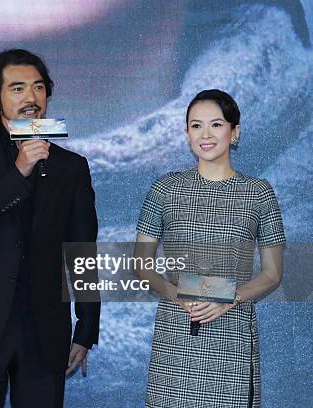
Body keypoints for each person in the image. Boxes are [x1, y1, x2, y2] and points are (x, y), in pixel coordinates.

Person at [0, 49, 100, 407]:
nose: (31, 98)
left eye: (39, 88)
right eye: (18, 88)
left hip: (45, 330)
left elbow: (83, 251)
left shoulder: (71, 167)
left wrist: (86, 327)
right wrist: (18, 171)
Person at [134, 89, 286, 408]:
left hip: (231, 333)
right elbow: (141, 265)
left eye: (216, 125)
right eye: (195, 125)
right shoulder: (164, 189)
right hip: (175, 334)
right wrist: (179, 296)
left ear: (235, 132)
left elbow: (272, 273)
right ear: (186, 133)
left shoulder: (259, 193)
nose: (205, 134)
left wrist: (231, 297)